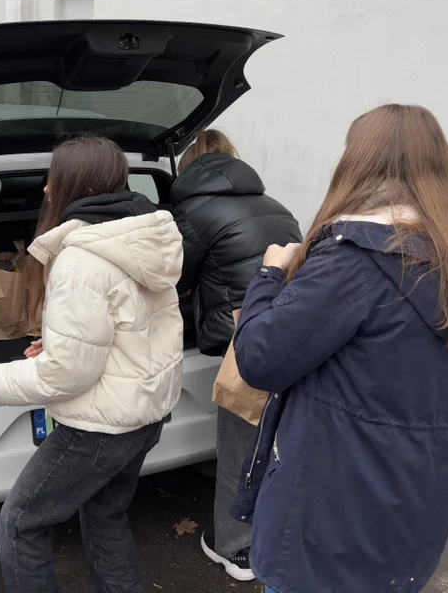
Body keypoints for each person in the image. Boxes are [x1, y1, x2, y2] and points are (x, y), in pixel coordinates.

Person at [231, 104, 448, 593]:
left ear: (357, 163)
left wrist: (271, 274)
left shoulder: (354, 260)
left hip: (326, 516)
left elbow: (258, 359)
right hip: (416, 505)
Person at [0, 135, 184, 592]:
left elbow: (68, 374)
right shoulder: (146, 237)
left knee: (21, 523)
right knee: (105, 514)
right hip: (144, 414)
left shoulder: (81, 259)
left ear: (72, 185)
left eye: (53, 179)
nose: (46, 189)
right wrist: (55, 343)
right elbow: (132, 328)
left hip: (99, 429)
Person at [171, 129, 300, 582]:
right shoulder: (275, 206)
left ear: (190, 167)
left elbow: (172, 278)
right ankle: (269, 527)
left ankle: (235, 549)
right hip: (289, 327)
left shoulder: (193, 209)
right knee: (270, 440)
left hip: (243, 335)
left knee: (239, 444)